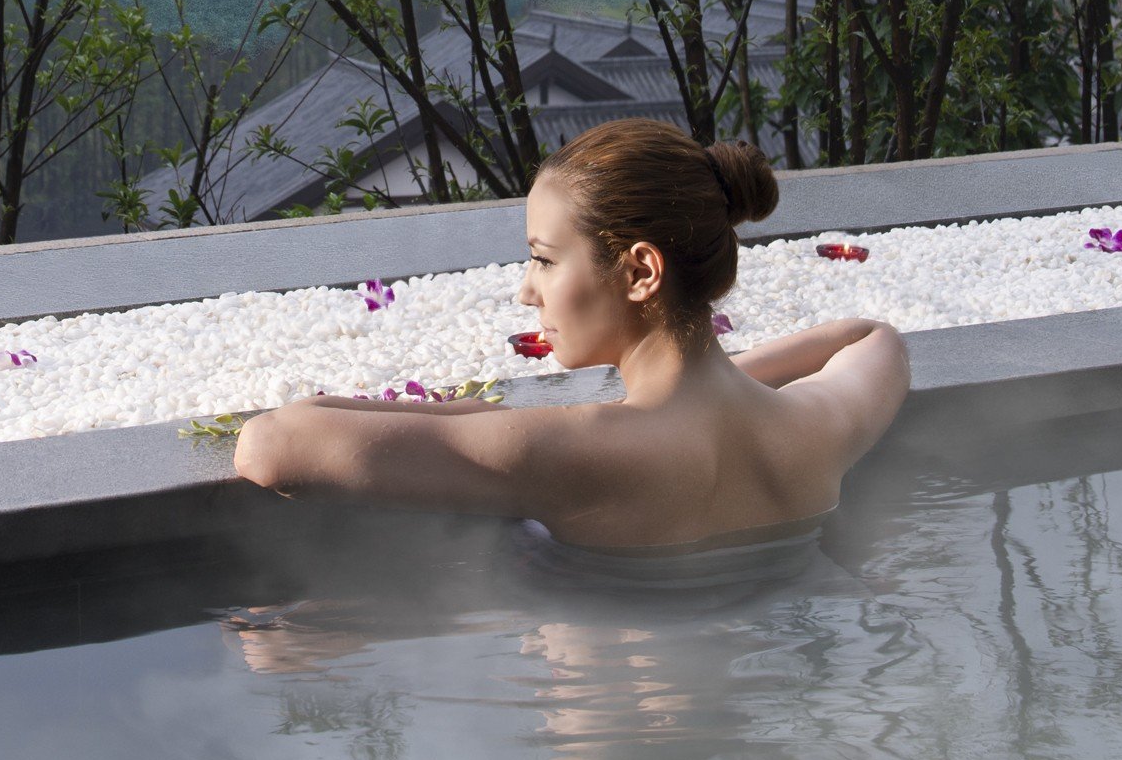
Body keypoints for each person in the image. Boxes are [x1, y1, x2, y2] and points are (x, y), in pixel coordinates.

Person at [231, 120, 907, 572]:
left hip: (620, 734)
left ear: (641, 272)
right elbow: (869, 337)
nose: (528, 293)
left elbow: (270, 446)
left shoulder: (577, 448)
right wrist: (726, 384)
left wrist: (486, 418)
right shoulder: (815, 428)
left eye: (545, 260)